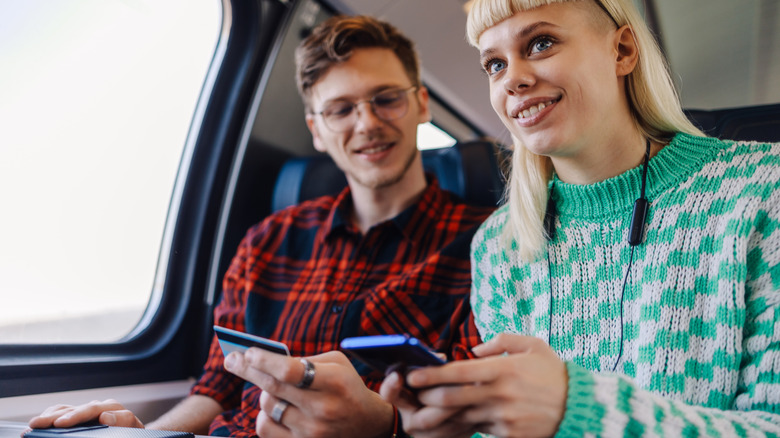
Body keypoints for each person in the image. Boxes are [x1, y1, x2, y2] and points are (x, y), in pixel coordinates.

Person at [29, 15, 494, 438]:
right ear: (316, 129)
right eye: (341, 109)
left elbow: (473, 419)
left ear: (422, 104)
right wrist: (147, 434)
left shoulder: (489, 245)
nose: (367, 123)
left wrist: (383, 428)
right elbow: (217, 389)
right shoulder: (267, 240)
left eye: (386, 99)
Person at [380, 0, 780, 436]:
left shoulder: (762, 188)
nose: (513, 77)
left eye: (541, 43)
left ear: (623, 51)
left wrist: (575, 407)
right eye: (494, 64)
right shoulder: (501, 245)